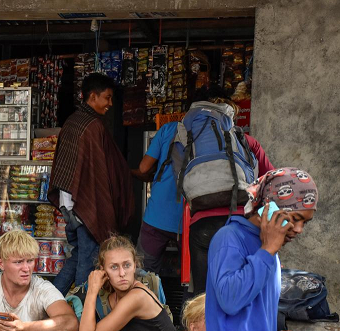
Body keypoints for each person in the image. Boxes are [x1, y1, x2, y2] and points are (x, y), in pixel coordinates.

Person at [199, 167, 318, 331]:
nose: (298, 229)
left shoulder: (268, 251)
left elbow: (254, 318)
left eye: (305, 223)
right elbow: (230, 299)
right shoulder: (231, 239)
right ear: (270, 206)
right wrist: (267, 250)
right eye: (295, 218)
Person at [48, 73, 135, 295]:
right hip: (85, 209)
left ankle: (50, 301)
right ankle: (79, 313)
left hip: (71, 206)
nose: (110, 104)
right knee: (88, 263)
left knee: (78, 256)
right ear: (93, 96)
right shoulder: (92, 126)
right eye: (107, 97)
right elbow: (97, 176)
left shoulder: (73, 121)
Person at [187, 92, 274, 303]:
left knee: (202, 298)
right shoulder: (247, 141)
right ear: (229, 117)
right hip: (240, 223)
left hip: (201, 225)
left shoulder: (192, 140)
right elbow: (270, 181)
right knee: (240, 291)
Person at [132, 122, 183, 274]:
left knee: (144, 273)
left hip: (157, 216)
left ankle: (146, 297)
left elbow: (143, 168)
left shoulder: (169, 129)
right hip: (189, 217)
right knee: (190, 277)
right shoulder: (215, 131)